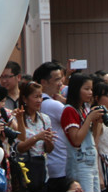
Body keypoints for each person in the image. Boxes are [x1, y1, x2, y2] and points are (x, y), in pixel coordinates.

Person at [61, 73, 102, 192]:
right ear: (76, 89)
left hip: (91, 161)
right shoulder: (69, 110)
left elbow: (93, 137)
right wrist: (89, 119)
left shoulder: (83, 109)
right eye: (86, 89)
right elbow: (76, 140)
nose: (90, 93)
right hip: (80, 163)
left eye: (91, 89)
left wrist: (96, 122)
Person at [15, 80, 55, 192]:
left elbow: (49, 149)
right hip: (25, 170)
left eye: (40, 96)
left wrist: (48, 140)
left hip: (41, 170)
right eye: (35, 97)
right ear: (25, 99)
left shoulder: (45, 119)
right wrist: (37, 137)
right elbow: (19, 147)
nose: (39, 100)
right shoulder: (17, 118)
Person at [35, 61, 69, 192]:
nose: (60, 83)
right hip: (60, 165)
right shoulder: (54, 105)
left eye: (61, 79)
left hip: (48, 166)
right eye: (57, 79)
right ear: (43, 82)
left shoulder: (43, 104)